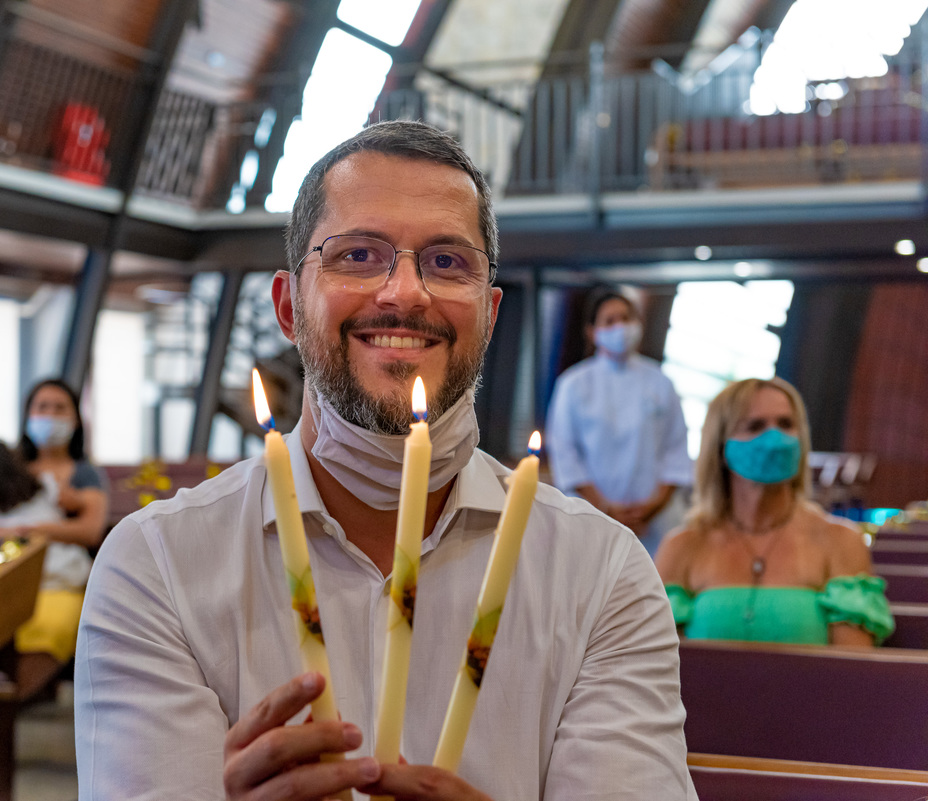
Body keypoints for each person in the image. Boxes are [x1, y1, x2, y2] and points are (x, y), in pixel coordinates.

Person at [76, 121, 694, 800]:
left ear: (488, 315)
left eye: (447, 262)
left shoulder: (601, 573)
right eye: (358, 255)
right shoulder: (158, 565)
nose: (404, 292)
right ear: (288, 305)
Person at [655, 377, 893, 645]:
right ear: (721, 447)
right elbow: (659, 665)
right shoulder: (683, 547)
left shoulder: (841, 541)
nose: (775, 438)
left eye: (786, 424)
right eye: (755, 426)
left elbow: (852, 670)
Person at [545, 288, 692, 556]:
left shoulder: (660, 381)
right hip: (589, 516)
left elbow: (676, 450)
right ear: (592, 332)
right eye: (610, 321)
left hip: (653, 524)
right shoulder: (574, 384)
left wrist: (650, 509)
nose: (620, 327)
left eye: (626, 318)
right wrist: (606, 508)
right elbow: (566, 454)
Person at [0, 439, 92, 690]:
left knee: (46, 627)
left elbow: (84, 511)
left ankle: (3, 703)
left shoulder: (46, 487)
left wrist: (33, 529)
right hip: (1, 588)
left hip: (57, 580)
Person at [16, 379, 109, 549]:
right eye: (42, 407)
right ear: (27, 416)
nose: (50, 414)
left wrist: (24, 531)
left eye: (60, 408)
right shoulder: (10, 469)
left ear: (76, 420)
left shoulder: (86, 474)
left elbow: (90, 532)